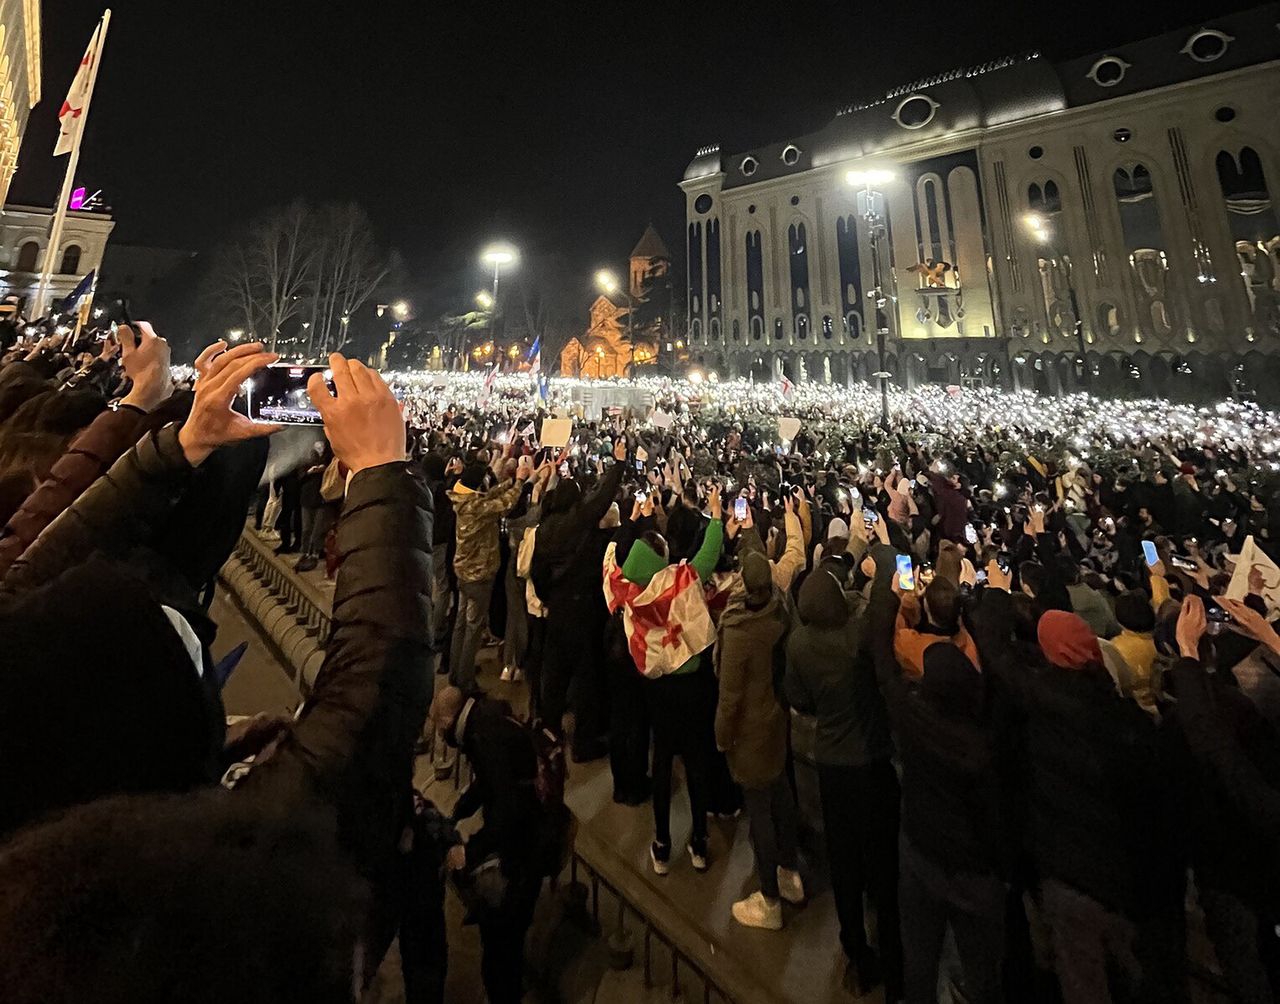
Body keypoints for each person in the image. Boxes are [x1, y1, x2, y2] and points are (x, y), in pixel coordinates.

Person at [785, 538, 900, 998]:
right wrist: (886, 552)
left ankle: (856, 952)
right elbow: (888, 596)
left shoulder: (798, 644)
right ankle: (894, 959)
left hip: (832, 766)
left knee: (844, 863)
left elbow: (798, 699)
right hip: (872, 763)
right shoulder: (858, 639)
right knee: (884, 863)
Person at [607, 484, 724, 875]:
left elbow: (610, 565)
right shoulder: (681, 582)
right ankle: (700, 842)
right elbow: (710, 552)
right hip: (690, 686)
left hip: (657, 688)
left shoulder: (629, 594)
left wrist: (626, 526)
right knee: (695, 762)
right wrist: (717, 515)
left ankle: (661, 843)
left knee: (661, 764)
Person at [429, 685, 543, 1004]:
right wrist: (461, 810)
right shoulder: (486, 717)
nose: (441, 735)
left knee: (500, 943)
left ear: (450, 719)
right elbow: (489, 782)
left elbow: (508, 809)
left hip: (524, 845)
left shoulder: (483, 738)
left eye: (439, 726)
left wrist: (472, 850)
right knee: (509, 935)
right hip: (528, 835)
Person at [715, 549, 803, 930]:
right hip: (775, 720)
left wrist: (722, 737)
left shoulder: (738, 630)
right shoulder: (782, 610)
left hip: (749, 731)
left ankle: (769, 899)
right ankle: (789, 871)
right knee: (781, 794)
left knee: (760, 812)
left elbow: (729, 696)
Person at [446, 460, 526, 693]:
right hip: (478, 575)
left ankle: (455, 672)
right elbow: (504, 504)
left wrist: (514, 481)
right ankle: (465, 680)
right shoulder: (477, 508)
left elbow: (491, 496)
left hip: (463, 571)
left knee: (461, 624)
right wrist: (520, 482)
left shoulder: (466, 501)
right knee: (473, 628)